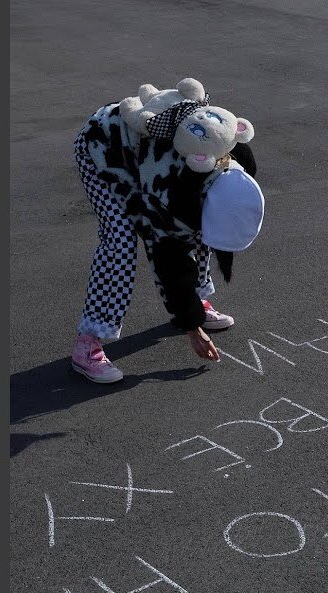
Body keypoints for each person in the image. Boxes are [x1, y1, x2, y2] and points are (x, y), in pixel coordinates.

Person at [70, 80, 258, 383]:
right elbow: (167, 259)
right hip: (104, 147)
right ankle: (88, 343)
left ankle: (197, 300)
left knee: (204, 231)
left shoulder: (233, 155)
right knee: (120, 240)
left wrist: (191, 312)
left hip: (147, 154)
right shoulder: (172, 195)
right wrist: (192, 328)